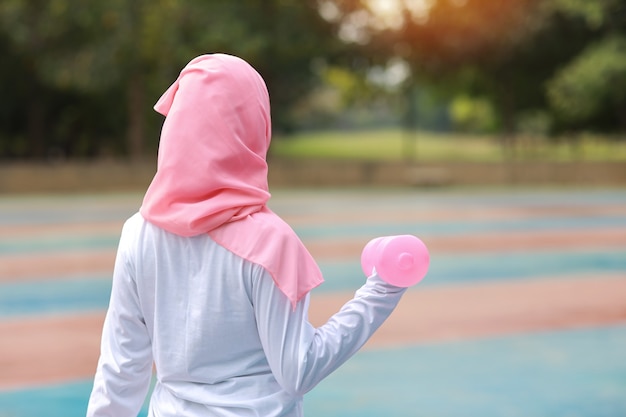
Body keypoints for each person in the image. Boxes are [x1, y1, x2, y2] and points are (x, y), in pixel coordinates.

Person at [86, 53, 407, 417]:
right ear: (255, 126)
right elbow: (299, 370)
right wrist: (382, 291)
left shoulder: (139, 232)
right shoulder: (270, 242)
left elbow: (121, 366)